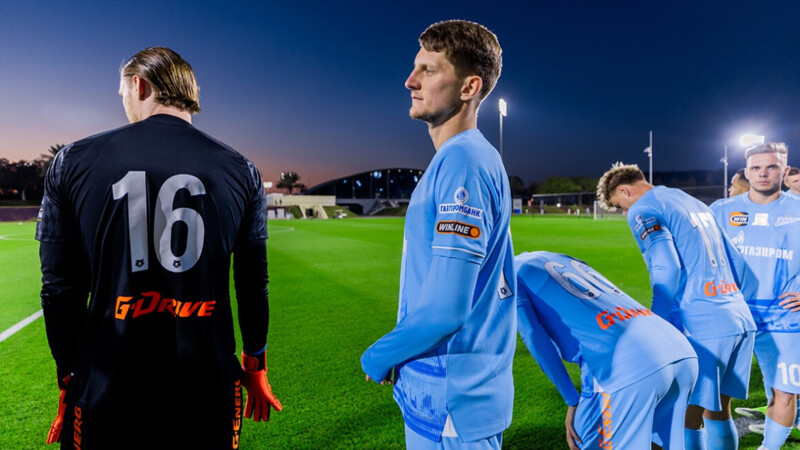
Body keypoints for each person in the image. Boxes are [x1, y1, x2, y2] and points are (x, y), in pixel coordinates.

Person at [36, 47, 281, 449]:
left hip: (106, 384)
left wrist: (69, 377)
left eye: (122, 94)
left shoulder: (72, 161)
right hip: (207, 386)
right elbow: (254, 283)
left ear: (138, 85)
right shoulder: (243, 170)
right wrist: (255, 364)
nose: (124, 103)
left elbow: (59, 289)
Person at [361, 20, 516, 449]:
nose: (410, 81)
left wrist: (379, 354)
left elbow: (447, 309)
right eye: (415, 68)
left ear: (469, 87)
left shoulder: (464, 162)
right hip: (446, 396)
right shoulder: (461, 158)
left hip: (453, 401)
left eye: (428, 70)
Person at [597, 162, 756, 450]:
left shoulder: (642, 209)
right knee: (719, 412)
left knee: (683, 419)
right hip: (738, 317)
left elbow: (667, 267)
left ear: (624, 190)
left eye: (619, 205)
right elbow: (740, 265)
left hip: (702, 325)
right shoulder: (693, 202)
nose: (623, 212)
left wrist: (657, 323)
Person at [515, 251, 698, 449]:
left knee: (583, 441)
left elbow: (532, 335)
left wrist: (572, 399)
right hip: (678, 349)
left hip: (627, 362)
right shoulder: (555, 256)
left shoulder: (506, 271)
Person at [711, 143, 800, 450]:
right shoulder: (720, 210)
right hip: (730, 314)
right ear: (747, 172)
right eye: (757, 168)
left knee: (784, 393)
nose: (764, 173)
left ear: (784, 171)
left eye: (772, 167)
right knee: (715, 395)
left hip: (784, 317)